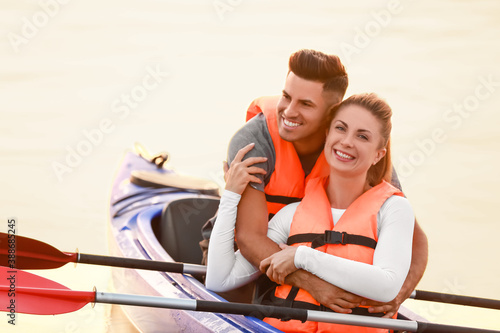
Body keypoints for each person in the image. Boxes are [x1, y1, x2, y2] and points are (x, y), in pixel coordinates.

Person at [203, 49, 428, 316]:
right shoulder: (255, 140)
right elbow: (249, 238)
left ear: (332, 114)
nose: (289, 111)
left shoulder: (357, 152)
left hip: (311, 255)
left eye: (306, 104)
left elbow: (415, 240)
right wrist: (312, 283)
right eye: (287, 96)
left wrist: (396, 295)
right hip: (242, 248)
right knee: (236, 308)